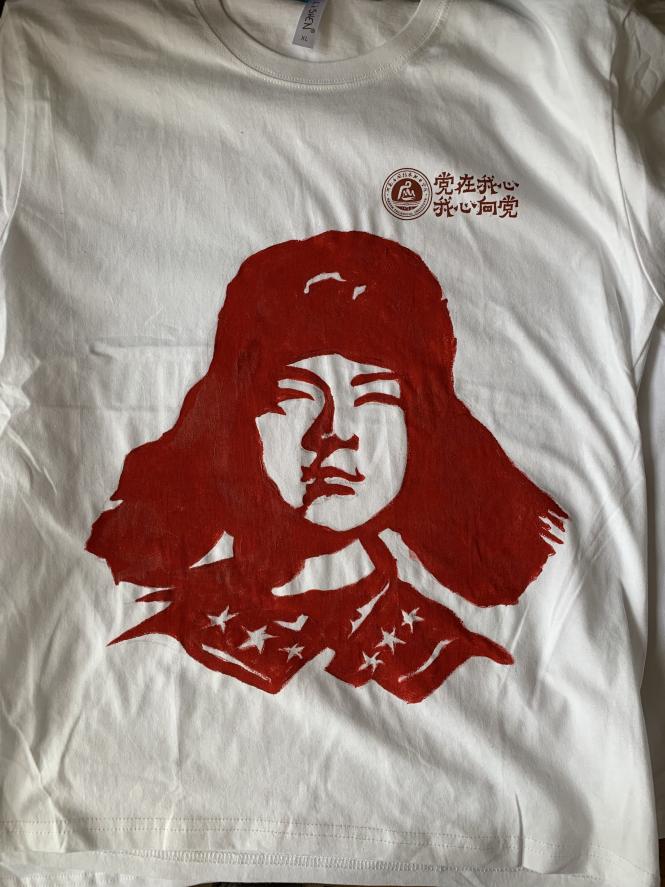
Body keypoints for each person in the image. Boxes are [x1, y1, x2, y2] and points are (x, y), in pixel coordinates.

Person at [85, 229, 568, 702]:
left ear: (421, 429)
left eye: (374, 398)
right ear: (239, 420)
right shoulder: (152, 635)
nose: (333, 431)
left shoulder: (449, 658)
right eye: (296, 395)